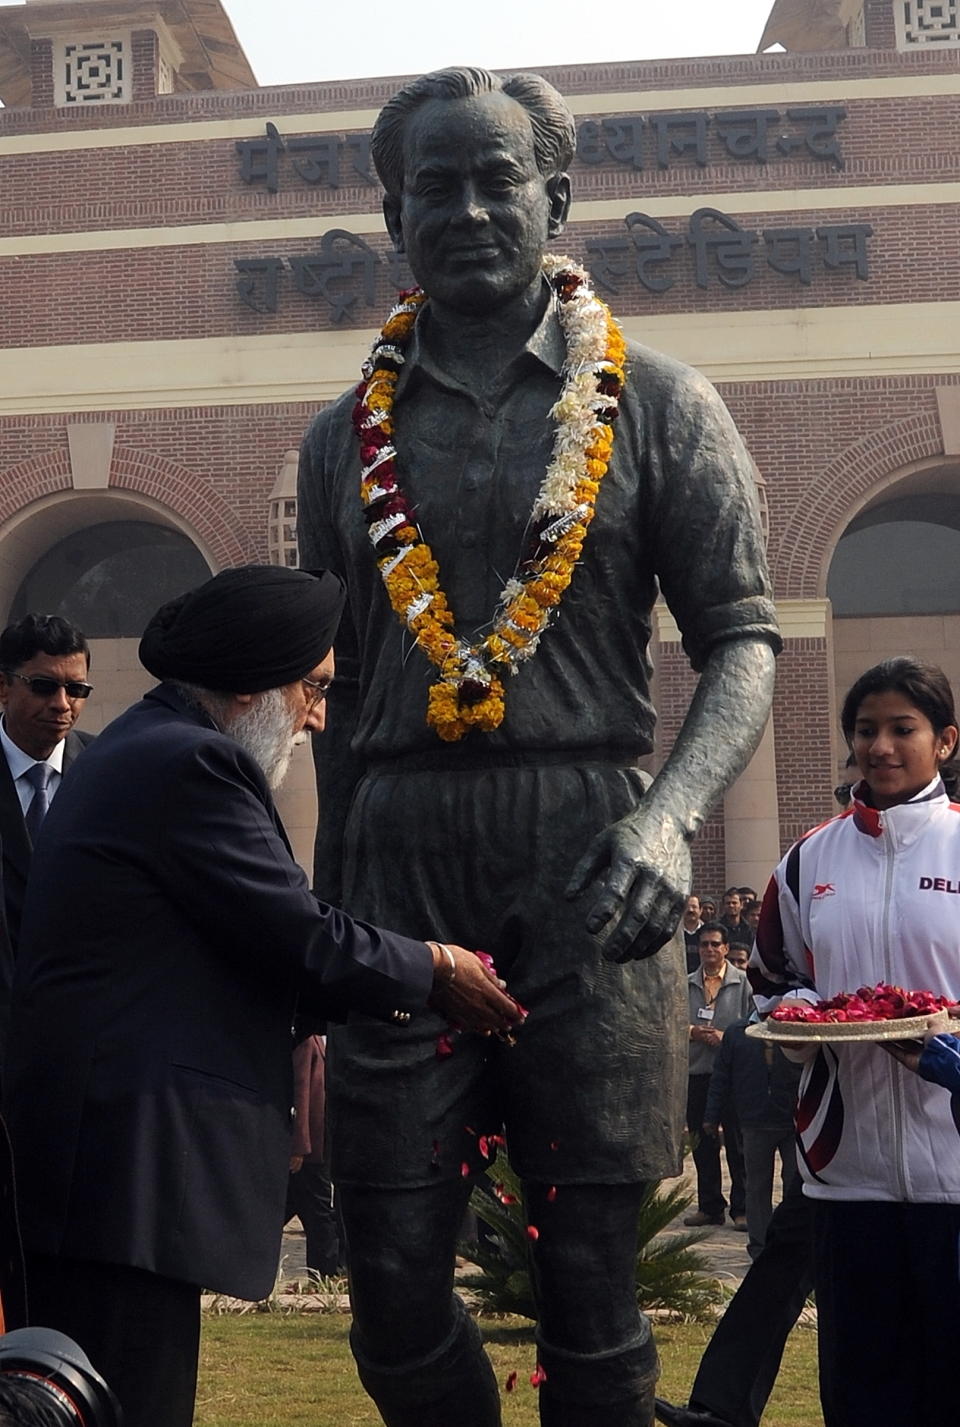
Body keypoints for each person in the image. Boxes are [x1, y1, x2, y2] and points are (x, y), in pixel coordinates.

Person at [297, 65, 780, 1427]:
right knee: (388, 1272)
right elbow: (320, 696)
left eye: (494, 179)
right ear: (394, 213)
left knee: (590, 1272)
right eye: (430, 186)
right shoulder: (342, 441)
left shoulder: (660, 403)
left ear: (554, 198)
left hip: (589, 853)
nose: (462, 209)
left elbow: (743, 636)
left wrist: (669, 816)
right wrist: (321, 923)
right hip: (395, 861)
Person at [2, 565, 521, 1427]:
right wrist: (436, 966)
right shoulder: (191, 762)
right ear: (250, 682)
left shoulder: (143, 745)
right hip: (123, 1172)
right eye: (312, 687)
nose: (320, 713)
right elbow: (299, 935)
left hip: (95, 1171)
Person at [751, 656, 960, 1427]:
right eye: (865, 729)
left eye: (902, 728)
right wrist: (802, 1024)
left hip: (957, 1175)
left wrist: (941, 1053)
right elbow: (770, 978)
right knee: (865, 1395)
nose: (880, 745)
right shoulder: (808, 860)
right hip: (848, 1176)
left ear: (945, 740)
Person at [0, 615, 92, 1056]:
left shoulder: (109, 771)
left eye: (76, 690)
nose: (62, 704)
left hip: (83, 1041)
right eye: (43, 686)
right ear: (3, 687)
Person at [703, 1011, 801, 1258]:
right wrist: (711, 1117)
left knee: (794, 1184)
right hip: (753, 1122)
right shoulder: (738, 1033)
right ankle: (760, 1249)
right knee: (757, 1188)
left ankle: (791, 1244)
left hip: (791, 1122)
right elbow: (721, 1077)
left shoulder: (795, 1028)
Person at [683, 923, 752, 1229]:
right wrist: (693, 1032)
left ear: (726, 948)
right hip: (698, 1073)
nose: (709, 950)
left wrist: (728, 1037)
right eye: (704, 945)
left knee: (738, 1144)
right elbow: (672, 1022)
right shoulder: (685, 984)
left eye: (714, 944)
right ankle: (709, 1206)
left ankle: (743, 1208)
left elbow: (755, 1025)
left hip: (734, 1076)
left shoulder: (744, 984)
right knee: (702, 1144)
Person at [285, 1033, 345, 1277]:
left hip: (319, 1144)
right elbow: (301, 1091)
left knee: (305, 1207)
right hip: (310, 1149)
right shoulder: (307, 1042)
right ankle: (325, 1272)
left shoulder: (318, 1041)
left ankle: (325, 1271)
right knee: (319, 1213)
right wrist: (299, 1146)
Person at [680, 894, 704, 973]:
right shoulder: (674, 934)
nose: (690, 910)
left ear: (701, 910)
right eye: (687, 907)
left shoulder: (707, 932)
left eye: (694, 907)